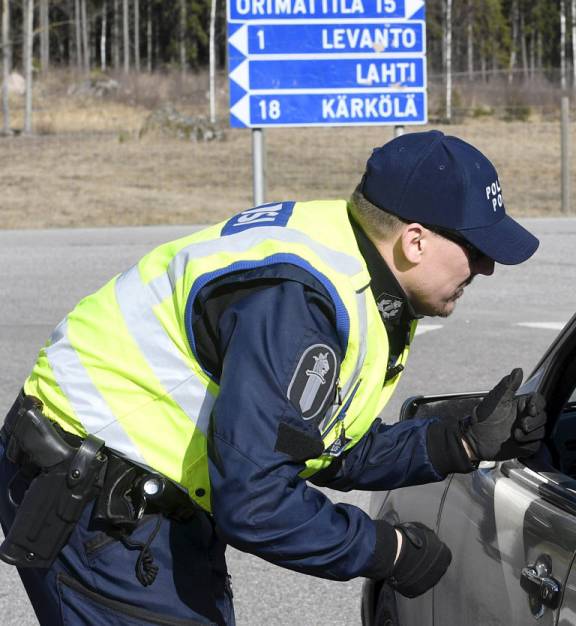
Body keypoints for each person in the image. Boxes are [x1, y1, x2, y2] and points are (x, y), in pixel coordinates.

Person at [0, 130, 548, 624]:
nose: (487, 268)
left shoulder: (357, 270)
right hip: (92, 505)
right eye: (476, 250)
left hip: (136, 498)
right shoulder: (299, 303)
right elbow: (256, 502)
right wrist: (390, 553)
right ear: (416, 240)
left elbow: (315, 444)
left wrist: (461, 441)